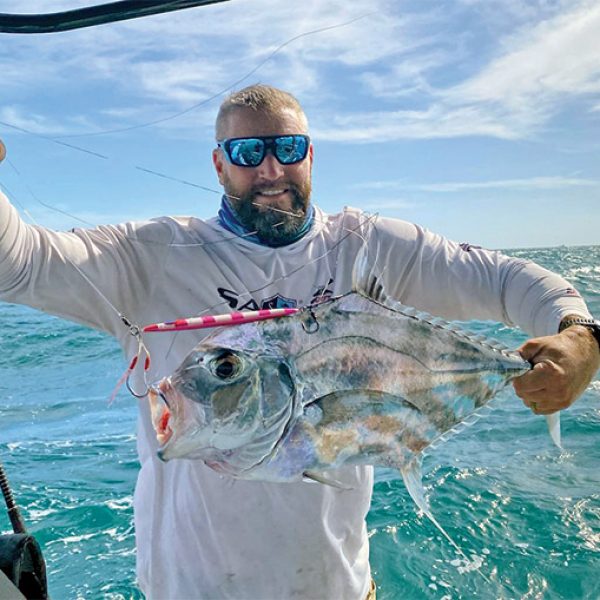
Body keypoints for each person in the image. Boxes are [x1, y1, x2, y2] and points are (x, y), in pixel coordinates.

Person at [0, 84, 598, 600]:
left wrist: (581, 336)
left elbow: (509, 280)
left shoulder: (370, 245)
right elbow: (21, 266)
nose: (270, 171)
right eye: (246, 152)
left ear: (309, 155)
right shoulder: (148, 258)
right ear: (217, 164)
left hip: (338, 585)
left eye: (287, 149)